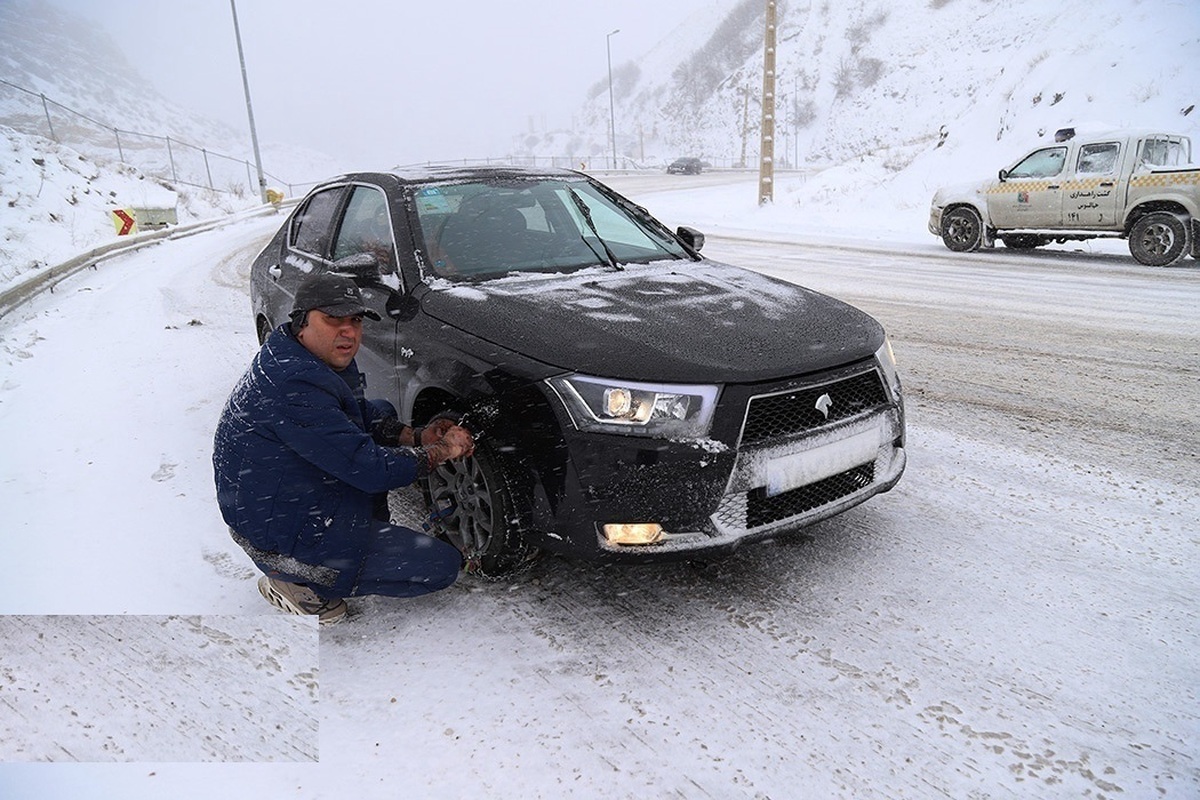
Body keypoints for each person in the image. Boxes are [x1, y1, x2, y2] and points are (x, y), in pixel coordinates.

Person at [213, 273, 474, 624]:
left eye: (355, 320)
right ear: (302, 321)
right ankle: (297, 582)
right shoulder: (295, 385)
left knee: (380, 411)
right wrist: (441, 451)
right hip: (281, 535)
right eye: (333, 320)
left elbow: (356, 411)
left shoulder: (302, 355)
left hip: (282, 501)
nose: (348, 332)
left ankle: (356, 538)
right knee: (440, 566)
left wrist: (416, 436)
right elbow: (371, 470)